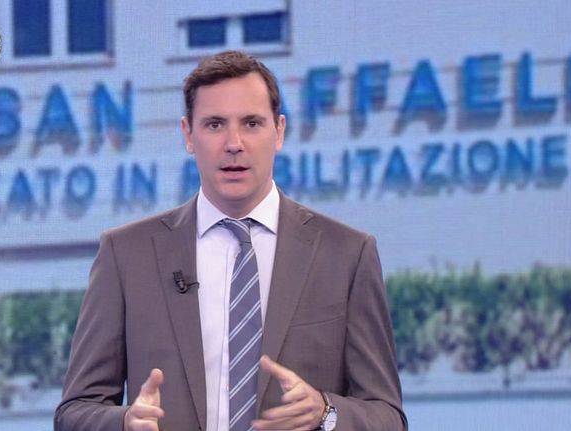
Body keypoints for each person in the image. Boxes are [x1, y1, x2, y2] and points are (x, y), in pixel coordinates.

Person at [54, 50, 407, 431]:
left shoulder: (346, 254)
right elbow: (75, 412)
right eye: (215, 124)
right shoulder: (127, 255)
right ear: (188, 135)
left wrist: (326, 413)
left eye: (252, 123)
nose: (234, 143)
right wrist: (125, 422)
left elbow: (387, 416)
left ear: (279, 131)